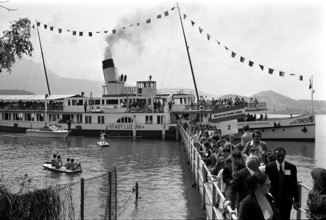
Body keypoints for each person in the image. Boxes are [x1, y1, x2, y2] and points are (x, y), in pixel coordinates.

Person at [265, 147, 299, 220]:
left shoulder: (291, 167)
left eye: (282, 155)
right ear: (274, 155)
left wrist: (296, 200)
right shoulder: (269, 167)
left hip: (287, 199)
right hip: (273, 198)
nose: (280, 158)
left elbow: (294, 183)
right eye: (278, 156)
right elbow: (266, 183)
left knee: (286, 217)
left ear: (285, 155)